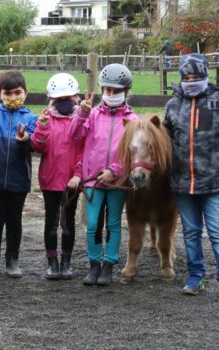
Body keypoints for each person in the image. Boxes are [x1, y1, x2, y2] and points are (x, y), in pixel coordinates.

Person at [162, 53, 219, 304]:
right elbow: (165, 140)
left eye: (196, 77)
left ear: (205, 76)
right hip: (182, 183)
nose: (191, 81)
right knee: (191, 233)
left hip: (214, 181)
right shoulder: (172, 105)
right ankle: (196, 276)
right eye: (186, 77)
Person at [69, 63, 138, 286]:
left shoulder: (132, 120)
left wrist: (114, 171)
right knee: (93, 225)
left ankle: (109, 265)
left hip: (117, 181)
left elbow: (132, 152)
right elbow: (74, 135)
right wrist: (81, 114)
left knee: (114, 223)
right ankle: (94, 264)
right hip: (92, 180)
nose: (110, 94)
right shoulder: (93, 115)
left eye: (115, 91)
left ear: (125, 92)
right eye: (107, 90)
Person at [0, 70, 38, 279]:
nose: (12, 97)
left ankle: (13, 259)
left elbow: (35, 146)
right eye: (7, 93)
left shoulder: (31, 119)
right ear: (0, 94)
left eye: (17, 93)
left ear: (25, 93)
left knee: (14, 220)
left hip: (19, 178)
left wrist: (24, 140)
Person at [32, 73, 86, 280]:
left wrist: (78, 174)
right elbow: (38, 146)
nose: (64, 103)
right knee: (51, 223)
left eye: (68, 98)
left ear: (75, 97)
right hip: (50, 179)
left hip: (72, 182)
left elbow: (84, 150)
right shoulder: (46, 119)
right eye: (59, 99)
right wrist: (42, 127)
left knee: (68, 223)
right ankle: (52, 263)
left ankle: (66, 263)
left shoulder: (80, 121)